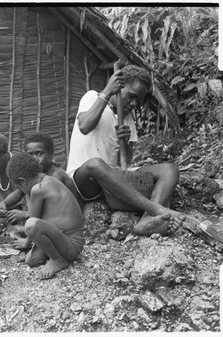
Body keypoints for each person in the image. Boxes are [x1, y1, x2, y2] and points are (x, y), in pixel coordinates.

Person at [66, 64, 184, 236]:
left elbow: (126, 159)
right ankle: (156, 209)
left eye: (139, 100)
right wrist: (107, 91)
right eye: (132, 96)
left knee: (169, 169)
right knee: (96, 164)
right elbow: (84, 125)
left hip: (112, 180)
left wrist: (126, 142)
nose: (135, 103)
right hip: (85, 180)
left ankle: (146, 219)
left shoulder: (127, 118)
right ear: (119, 87)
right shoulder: (93, 97)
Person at [6, 153, 85, 279]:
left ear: (23, 181)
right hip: (62, 236)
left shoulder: (38, 190)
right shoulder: (46, 180)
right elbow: (38, 217)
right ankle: (52, 255)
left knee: (31, 225)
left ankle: (58, 259)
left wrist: (27, 243)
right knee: (31, 260)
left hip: (72, 244)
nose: (20, 190)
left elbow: (33, 220)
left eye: (19, 187)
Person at [0, 132, 82, 224]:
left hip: (66, 222)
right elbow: (19, 193)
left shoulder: (55, 176)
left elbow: (55, 209)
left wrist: (26, 214)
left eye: (39, 153)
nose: (35, 158)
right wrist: (4, 203)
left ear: (51, 154)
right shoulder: (34, 175)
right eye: (30, 154)